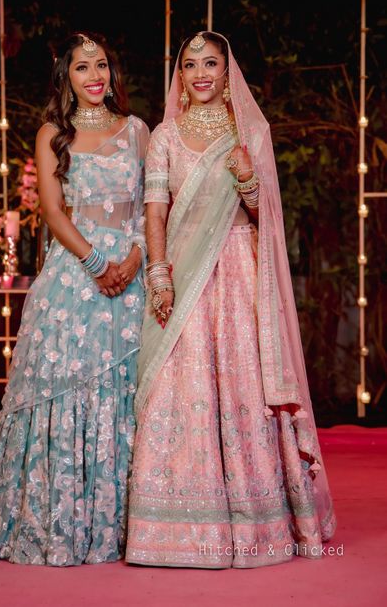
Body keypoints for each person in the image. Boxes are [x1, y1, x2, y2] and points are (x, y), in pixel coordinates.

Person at [126, 31, 336, 569]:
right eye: (190, 63)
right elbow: (155, 213)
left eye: (211, 63)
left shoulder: (251, 132)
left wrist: (248, 183)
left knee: (243, 385)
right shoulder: (166, 136)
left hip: (239, 273)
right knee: (182, 384)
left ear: (227, 72)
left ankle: (258, 522)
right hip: (183, 273)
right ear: (180, 74)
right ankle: (175, 531)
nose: (200, 73)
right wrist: (159, 272)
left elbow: (269, 221)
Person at [0, 32, 149, 566]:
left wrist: (134, 258)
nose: (95, 77)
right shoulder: (52, 133)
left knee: (127, 395)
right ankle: (55, 524)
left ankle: (136, 527)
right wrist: (94, 263)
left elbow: (155, 202)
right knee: (62, 394)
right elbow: (53, 211)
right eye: (83, 68)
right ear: (66, 77)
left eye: (102, 65)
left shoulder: (137, 131)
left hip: (134, 276)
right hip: (74, 282)